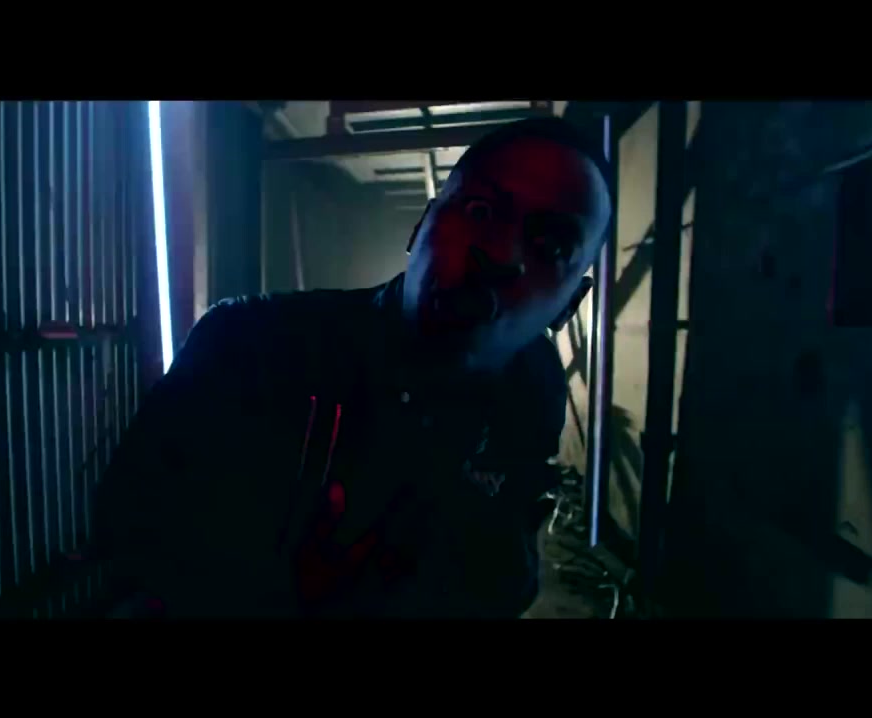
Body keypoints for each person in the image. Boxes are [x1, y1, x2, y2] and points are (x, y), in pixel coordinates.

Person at [90, 116, 619, 618]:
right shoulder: (250, 345)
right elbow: (128, 543)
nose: (500, 254)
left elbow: (506, 558)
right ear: (420, 227)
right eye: (479, 211)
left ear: (570, 305)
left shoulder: (534, 387)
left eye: (551, 246)